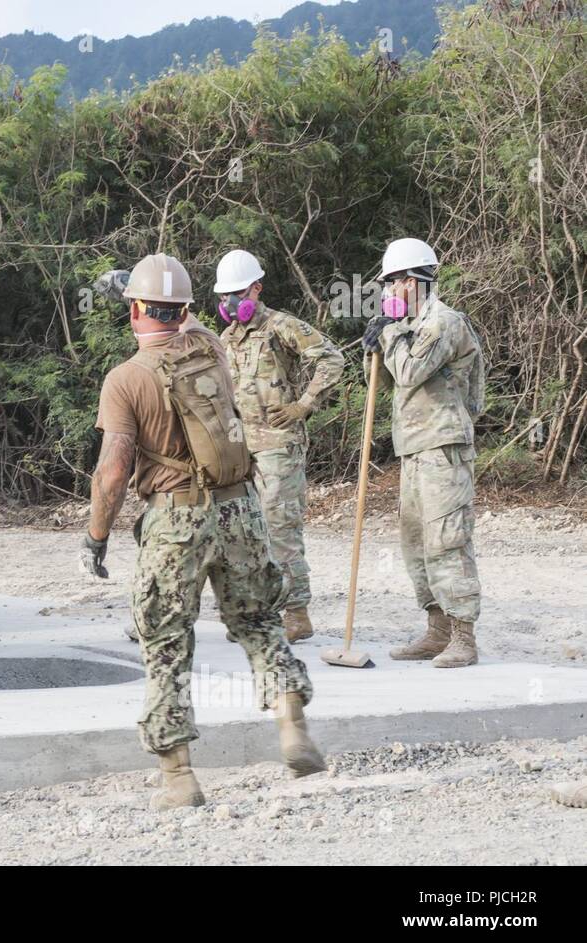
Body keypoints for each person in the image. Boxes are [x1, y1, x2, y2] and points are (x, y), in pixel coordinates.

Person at [80, 253, 324, 810]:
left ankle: (180, 777)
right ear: (188, 308)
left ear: (135, 310)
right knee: (259, 619)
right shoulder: (215, 350)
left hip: (176, 517)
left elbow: (112, 471)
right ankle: (291, 722)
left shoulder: (125, 379)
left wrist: (96, 537)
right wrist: (161, 301)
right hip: (240, 508)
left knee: (166, 641)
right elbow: (185, 325)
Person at [363, 238, 485, 668]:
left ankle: (463, 636)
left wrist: (391, 331)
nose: (387, 291)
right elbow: (384, 376)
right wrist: (376, 342)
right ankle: (436, 630)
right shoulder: (410, 325)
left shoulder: (442, 322)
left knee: (447, 540)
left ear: (414, 281)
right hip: (415, 447)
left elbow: (411, 371)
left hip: (444, 446)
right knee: (416, 542)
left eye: (393, 283)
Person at [213, 249, 345, 642]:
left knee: (280, 529)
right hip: (241, 449)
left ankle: (297, 614)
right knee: (243, 532)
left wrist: (304, 404)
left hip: (279, 447)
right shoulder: (226, 339)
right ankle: (257, 612)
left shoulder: (280, 326)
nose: (230, 302)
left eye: (237, 293)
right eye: (224, 296)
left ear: (256, 288)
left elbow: (332, 358)